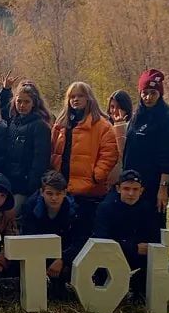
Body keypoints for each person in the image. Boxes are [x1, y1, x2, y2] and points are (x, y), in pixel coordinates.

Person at [51, 81, 119, 242]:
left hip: (89, 192)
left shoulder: (102, 125)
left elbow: (109, 154)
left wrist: (96, 176)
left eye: (80, 96)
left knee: (84, 235)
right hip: (63, 188)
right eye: (72, 96)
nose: (75, 100)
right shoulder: (61, 124)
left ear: (89, 98)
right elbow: (53, 151)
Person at [91, 170, 161, 301]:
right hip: (112, 258)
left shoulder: (148, 210)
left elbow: (155, 239)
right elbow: (102, 240)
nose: (131, 193)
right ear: (118, 189)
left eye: (135, 189)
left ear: (141, 191)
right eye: (126, 188)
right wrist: (132, 248)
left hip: (140, 260)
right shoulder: (106, 208)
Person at [123, 69, 169, 225]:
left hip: (154, 184)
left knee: (152, 226)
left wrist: (163, 189)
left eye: (153, 93)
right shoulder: (137, 116)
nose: (148, 97)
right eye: (145, 93)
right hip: (133, 183)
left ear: (159, 94)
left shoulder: (167, 119)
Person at [20, 170, 82, 299]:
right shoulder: (30, 207)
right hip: (37, 251)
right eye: (49, 193)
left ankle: (60, 283)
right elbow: (28, 237)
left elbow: (79, 240)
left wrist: (62, 259)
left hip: (64, 254)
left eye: (58, 194)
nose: (54, 198)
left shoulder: (74, 210)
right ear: (42, 193)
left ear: (65, 193)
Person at [3, 82, 52, 212]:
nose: (22, 105)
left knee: (14, 214)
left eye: (26, 102)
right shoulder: (13, 123)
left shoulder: (40, 125)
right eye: (19, 101)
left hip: (25, 184)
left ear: (33, 103)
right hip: (10, 181)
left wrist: (32, 184)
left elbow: (40, 159)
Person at [106, 89, 132, 185]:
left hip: (122, 177)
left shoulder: (132, 127)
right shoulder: (105, 126)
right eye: (112, 107)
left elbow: (124, 153)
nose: (115, 111)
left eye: (119, 107)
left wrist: (120, 126)